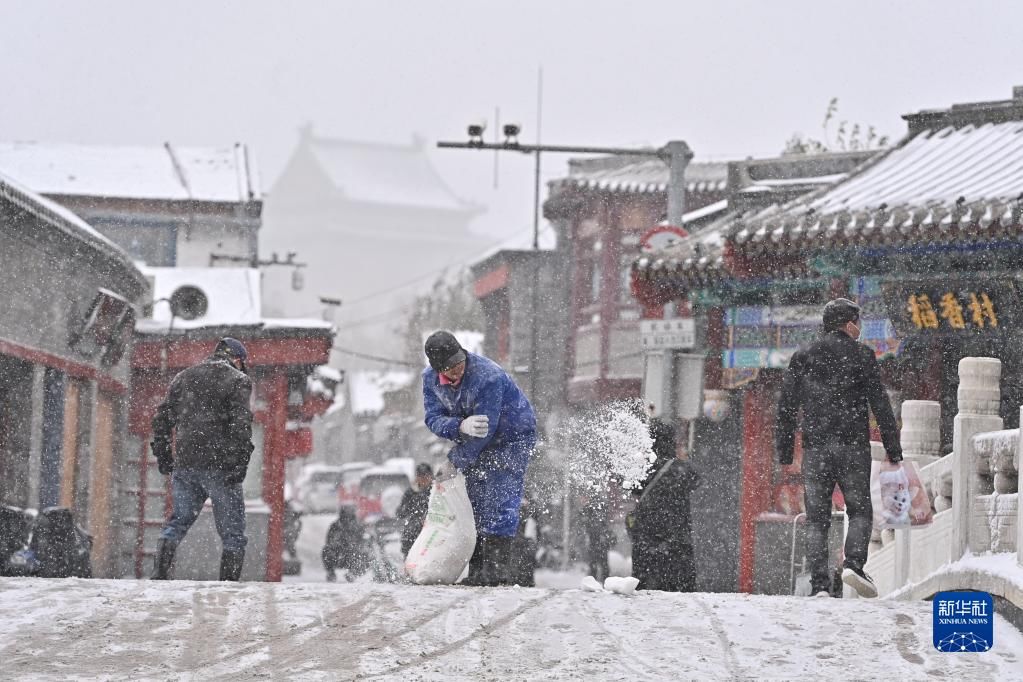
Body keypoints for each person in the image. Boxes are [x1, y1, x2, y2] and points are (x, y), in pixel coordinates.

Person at [776, 298, 902, 599]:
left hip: (816, 448)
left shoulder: (803, 356)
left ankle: (819, 584)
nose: (860, 329)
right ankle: (854, 565)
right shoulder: (862, 356)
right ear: (849, 324)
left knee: (817, 518)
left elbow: (786, 408)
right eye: (859, 323)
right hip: (851, 447)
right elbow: (880, 404)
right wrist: (893, 448)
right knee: (859, 510)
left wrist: (784, 452)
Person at [422, 330, 537, 586]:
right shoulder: (430, 381)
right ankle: (478, 572)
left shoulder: (488, 377)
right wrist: (458, 426)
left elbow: (486, 430)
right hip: (473, 437)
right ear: (438, 368)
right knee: (473, 502)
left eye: (460, 362)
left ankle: (496, 572)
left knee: (499, 497)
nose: (457, 370)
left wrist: (454, 461)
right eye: (450, 368)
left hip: (511, 438)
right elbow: (432, 418)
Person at [150, 337, 254, 581]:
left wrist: (164, 455)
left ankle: (160, 574)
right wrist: (240, 461)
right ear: (237, 360)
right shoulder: (238, 381)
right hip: (221, 467)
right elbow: (241, 425)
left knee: (178, 521)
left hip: (186, 464)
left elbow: (162, 420)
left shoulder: (183, 378)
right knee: (233, 533)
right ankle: (227, 586)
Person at [629, 419, 701, 592]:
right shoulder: (682, 470)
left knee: (646, 589)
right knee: (679, 591)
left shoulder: (643, 469)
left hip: (647, 541)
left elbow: (632, 488)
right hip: (677, 540)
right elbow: (697, 480)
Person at [397, 462, 435, 557]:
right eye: (420, 476)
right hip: (412, 536)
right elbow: (400, 513)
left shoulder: (436, 492)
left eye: (426, 476)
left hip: (432, 535)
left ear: (431, 476)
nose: (423, 479)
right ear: (416, 477)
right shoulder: (410, 493)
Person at [322, 505, 366, 582]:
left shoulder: (358, 526)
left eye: (349, 516)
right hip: (337, 552)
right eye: (345, 515)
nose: (347, 519)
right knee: (326, 550)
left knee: (361, 553)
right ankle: (331, 572)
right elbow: (329, 540)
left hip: (352, 552)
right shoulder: (335, 526)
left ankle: (353, 573)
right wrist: (337, 544)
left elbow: (362, 541)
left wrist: (353, 545)